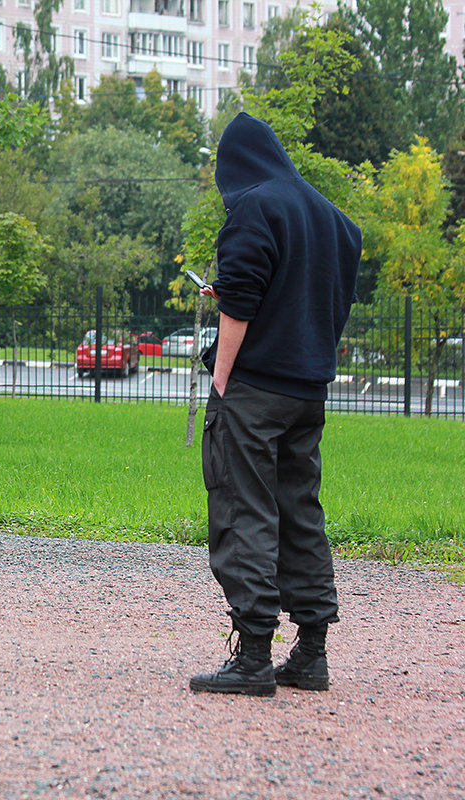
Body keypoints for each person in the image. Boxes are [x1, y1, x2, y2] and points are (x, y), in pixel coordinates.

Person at [189, 112, 361, 697]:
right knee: (300, 511)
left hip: (255, 392)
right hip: (308, 392)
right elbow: (311, 295)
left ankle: (254, 658)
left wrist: (220, 383)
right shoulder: (334, 220)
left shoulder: (254, 207)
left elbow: (240, 301)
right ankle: (311, 653)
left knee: (244, 509)